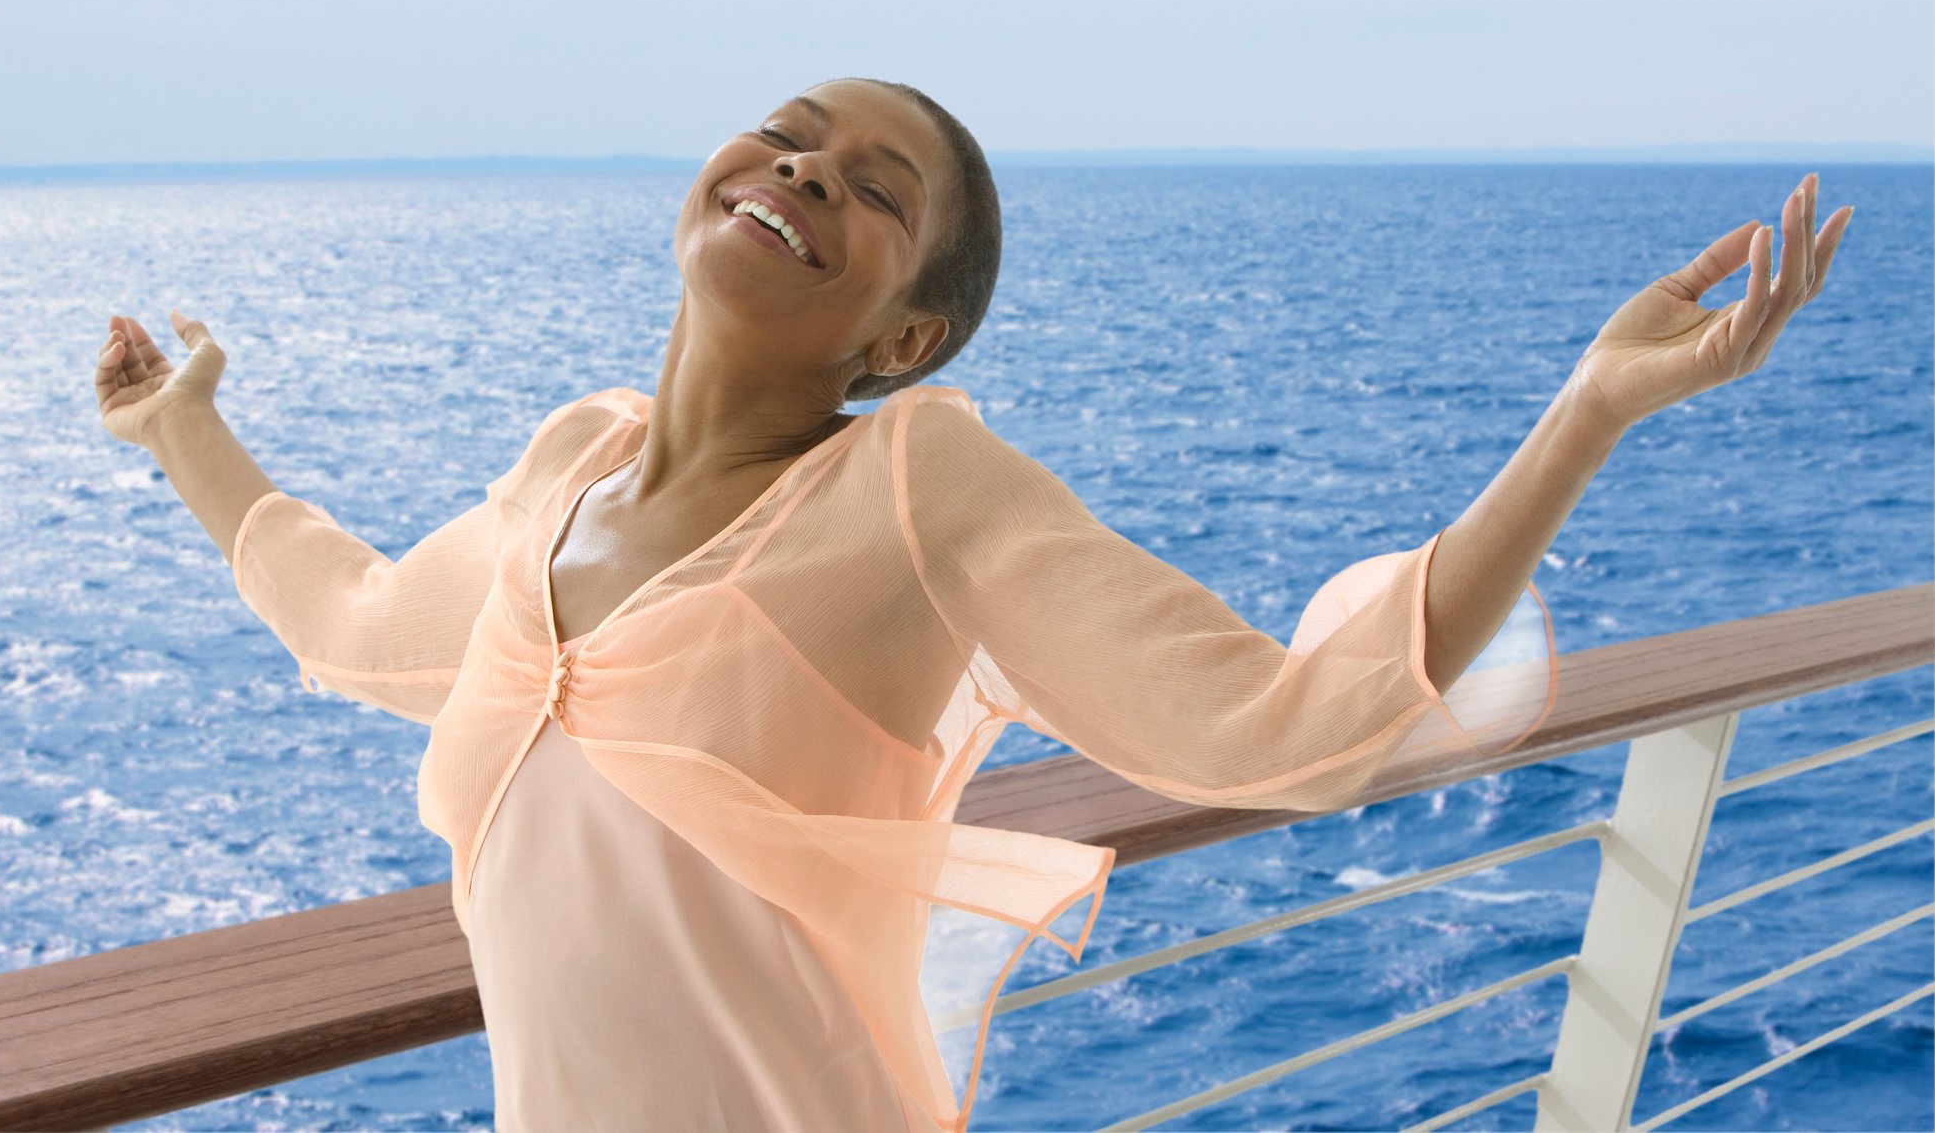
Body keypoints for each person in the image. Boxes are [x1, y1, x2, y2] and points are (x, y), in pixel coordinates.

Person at [94, 77, 1851, 1131]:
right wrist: (184, 429)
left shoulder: (917, 488)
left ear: (906, 334)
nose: (800, 171)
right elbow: (352, 622)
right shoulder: (569, 464)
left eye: (872, 190)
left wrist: (1586, 413)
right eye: (786, 136)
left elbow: (1285, 731)